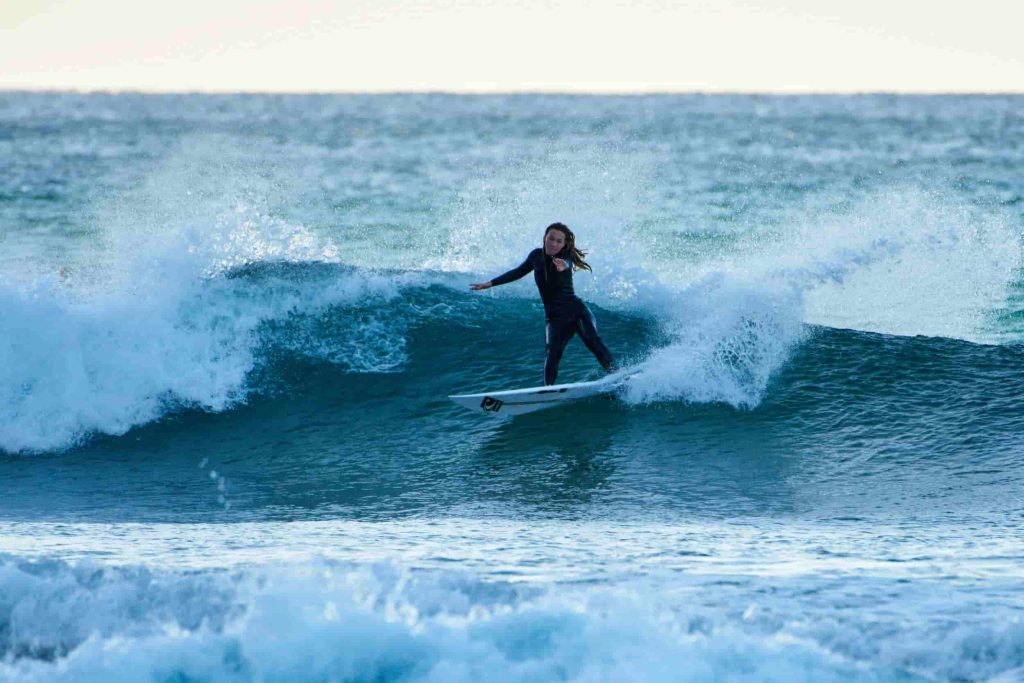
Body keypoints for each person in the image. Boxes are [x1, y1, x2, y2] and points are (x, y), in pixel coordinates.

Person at [470, 222, 615, 385]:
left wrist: (564, 266)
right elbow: (517, 272)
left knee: (594, 343)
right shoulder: (536, 256)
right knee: (552, 355)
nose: (554, 244)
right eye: (551, 238)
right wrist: (490, 283)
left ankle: (616, 376)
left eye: (559, 241)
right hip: (554, 319)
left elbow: (567, 264)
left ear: (564, 244)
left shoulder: (564, 258)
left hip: (577, 312)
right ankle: (548, 391)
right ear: (545, 237)